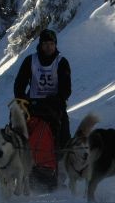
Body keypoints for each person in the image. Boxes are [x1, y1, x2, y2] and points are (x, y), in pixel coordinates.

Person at [14, 28, 72, 157]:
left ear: (55, 45)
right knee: (16, 125)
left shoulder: (61, 62)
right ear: (40, 45)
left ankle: (61, 158)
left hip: (54, 104)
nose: (49, 47)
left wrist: (58, 99)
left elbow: (66, 88)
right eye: (45, 44)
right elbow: (20, 82)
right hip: (33, 103)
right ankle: (17, 155)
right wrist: (20, 99)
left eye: (51, 44)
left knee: (64, 133)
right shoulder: (30, 60)